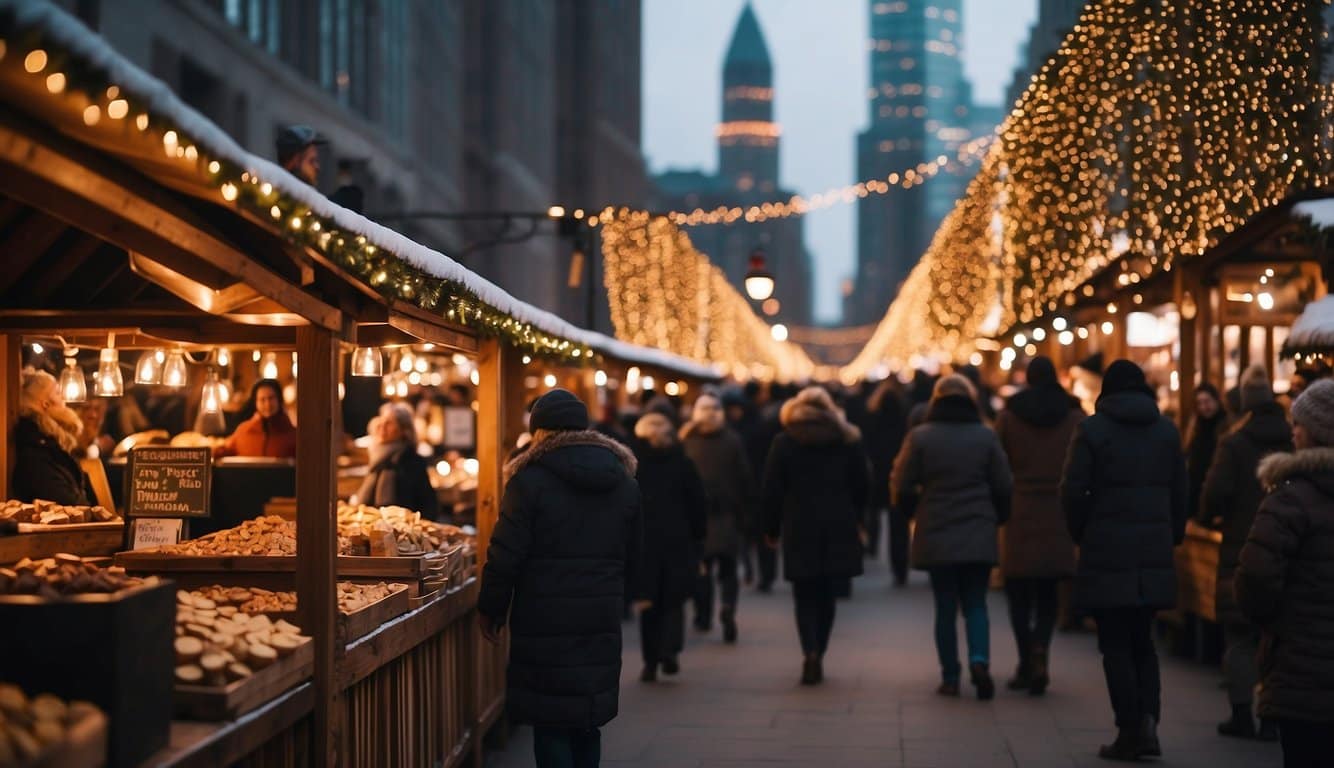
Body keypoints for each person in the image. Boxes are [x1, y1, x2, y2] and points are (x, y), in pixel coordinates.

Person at [478, 389, 639, 768]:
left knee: (550, 720)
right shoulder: (623, 480)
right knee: (587, 718)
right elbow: (635, 550)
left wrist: (491, 607)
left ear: (538, 431)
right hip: (599, 611)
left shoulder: (528, 481)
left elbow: (506, 554)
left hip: (543, 615)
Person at [1061, 360, 1186, 761]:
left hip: (1106, 549)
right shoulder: (1166, 431)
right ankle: (1148, 720)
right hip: (1153, 550)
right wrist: (1173, 535)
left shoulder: (1092, 431)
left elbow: (1072, 490)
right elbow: (1181, 491)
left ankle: (1129, 729)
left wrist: (1082, 532)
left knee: (1114, 644)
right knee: (1143, 642)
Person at [892, 375, 1012, 700]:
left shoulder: (921, 437)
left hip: (937, 526)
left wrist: (913, 512)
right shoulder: (985, 436)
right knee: (976, 602)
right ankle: (979, 660)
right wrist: (997, 517)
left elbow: (901, 483)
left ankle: (950, 675)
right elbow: (1003, 484)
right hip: (977, 526)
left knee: (944, 605)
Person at [1236, 378, 1334, 767]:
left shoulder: (1290, 498)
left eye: (1299, 423)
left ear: (1316, 432)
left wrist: (1271, 624)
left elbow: (1255, 579)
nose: (1292, 431)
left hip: (1301, 664)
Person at [1201, 364, 1290, 741]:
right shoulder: (1293, 439)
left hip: (1240, 546)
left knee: (1239, 635)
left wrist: (1210, 516)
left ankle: (1241, 714)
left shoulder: (1234, 443)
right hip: (1288, 549)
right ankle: (1271, 717)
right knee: (1277, 637)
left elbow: (1213, 493)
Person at [762, 386, 869, 685]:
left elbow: (772, 488)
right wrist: (859, 519)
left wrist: (771, 528)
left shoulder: (784, 441)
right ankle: (819, 651)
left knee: (803, 592)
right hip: (838, 523)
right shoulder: (847, 439)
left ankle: (808, 650)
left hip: (799, 524)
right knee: (827, 593)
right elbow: (862, 483)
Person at [994, 357, 1082, 696]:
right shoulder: (1075, 418)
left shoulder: (1009, 417)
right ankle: (1041, 651)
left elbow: (999, 465)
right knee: (1048, 594)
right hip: (1057, 511)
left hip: (1020, 510)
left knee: (1018, 595)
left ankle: (1024, 661)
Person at [630, 412, 707, 682]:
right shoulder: (683, 464)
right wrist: (699, 537)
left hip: (644, 542)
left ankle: (650, 662)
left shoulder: (634, 466)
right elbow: (697, 504)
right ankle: (670, 650)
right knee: (673, 599)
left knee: (648, 602)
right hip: (678, 540)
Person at [681, 391, 752, 643]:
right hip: (727, 516)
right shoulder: (732, 440)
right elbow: (744, 478)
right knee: (729, 569)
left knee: (703, 569)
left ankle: (703, 615)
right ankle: (728, 606)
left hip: (698, 518)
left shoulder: (687, 440)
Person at [12, 369, 94, 505]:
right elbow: (65, 501)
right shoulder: (37, 451)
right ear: (45, 403)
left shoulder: (52, 444)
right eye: (57, 392)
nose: (63, 397)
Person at [354, 403, 440, 518]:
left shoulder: (411, 462)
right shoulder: (377, 459)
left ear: (404, 430)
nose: (382, 426)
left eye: (389, 423)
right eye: (381, 421)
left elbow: (428, 506)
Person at [864, 376, 910, 585]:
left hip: (878, 472)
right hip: (899, 472)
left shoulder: (872, 416)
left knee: (874, 512)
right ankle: (900, 566)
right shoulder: (905, 417)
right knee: (898, 522)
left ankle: (872, 544)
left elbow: (867, 445)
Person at [214, 379, 297, 459]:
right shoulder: (244, 431)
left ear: (279, 400)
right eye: (262, 399)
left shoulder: (293, 435)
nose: (267, 404)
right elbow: (223, 450)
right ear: (255, 402)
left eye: (271, 398)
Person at [1185, 382, 1229, 521]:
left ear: (1216, 400)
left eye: (1207, 401)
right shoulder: (1196, 427)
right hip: (1197, 493)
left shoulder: (1225, 425)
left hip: (1215, 494)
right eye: (1200, 403)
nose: (1204, 407)